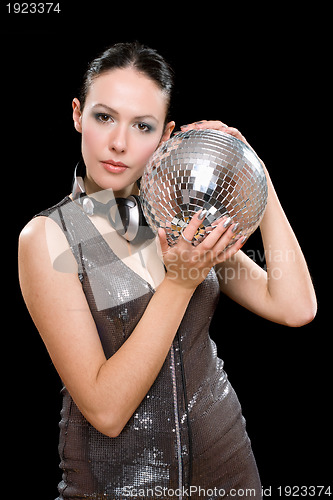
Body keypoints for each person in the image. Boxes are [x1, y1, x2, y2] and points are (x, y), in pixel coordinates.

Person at [18, 42, 317, 500]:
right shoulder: (49, 237)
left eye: (142, 126)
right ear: (77, 114)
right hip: (116, 488)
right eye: (104, 117)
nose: (119, 142)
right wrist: (180, 281)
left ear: (167, 134)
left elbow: (295, 306)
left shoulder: (173, 216)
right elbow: (106, 409)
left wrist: (254, 171)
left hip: (229, 472)